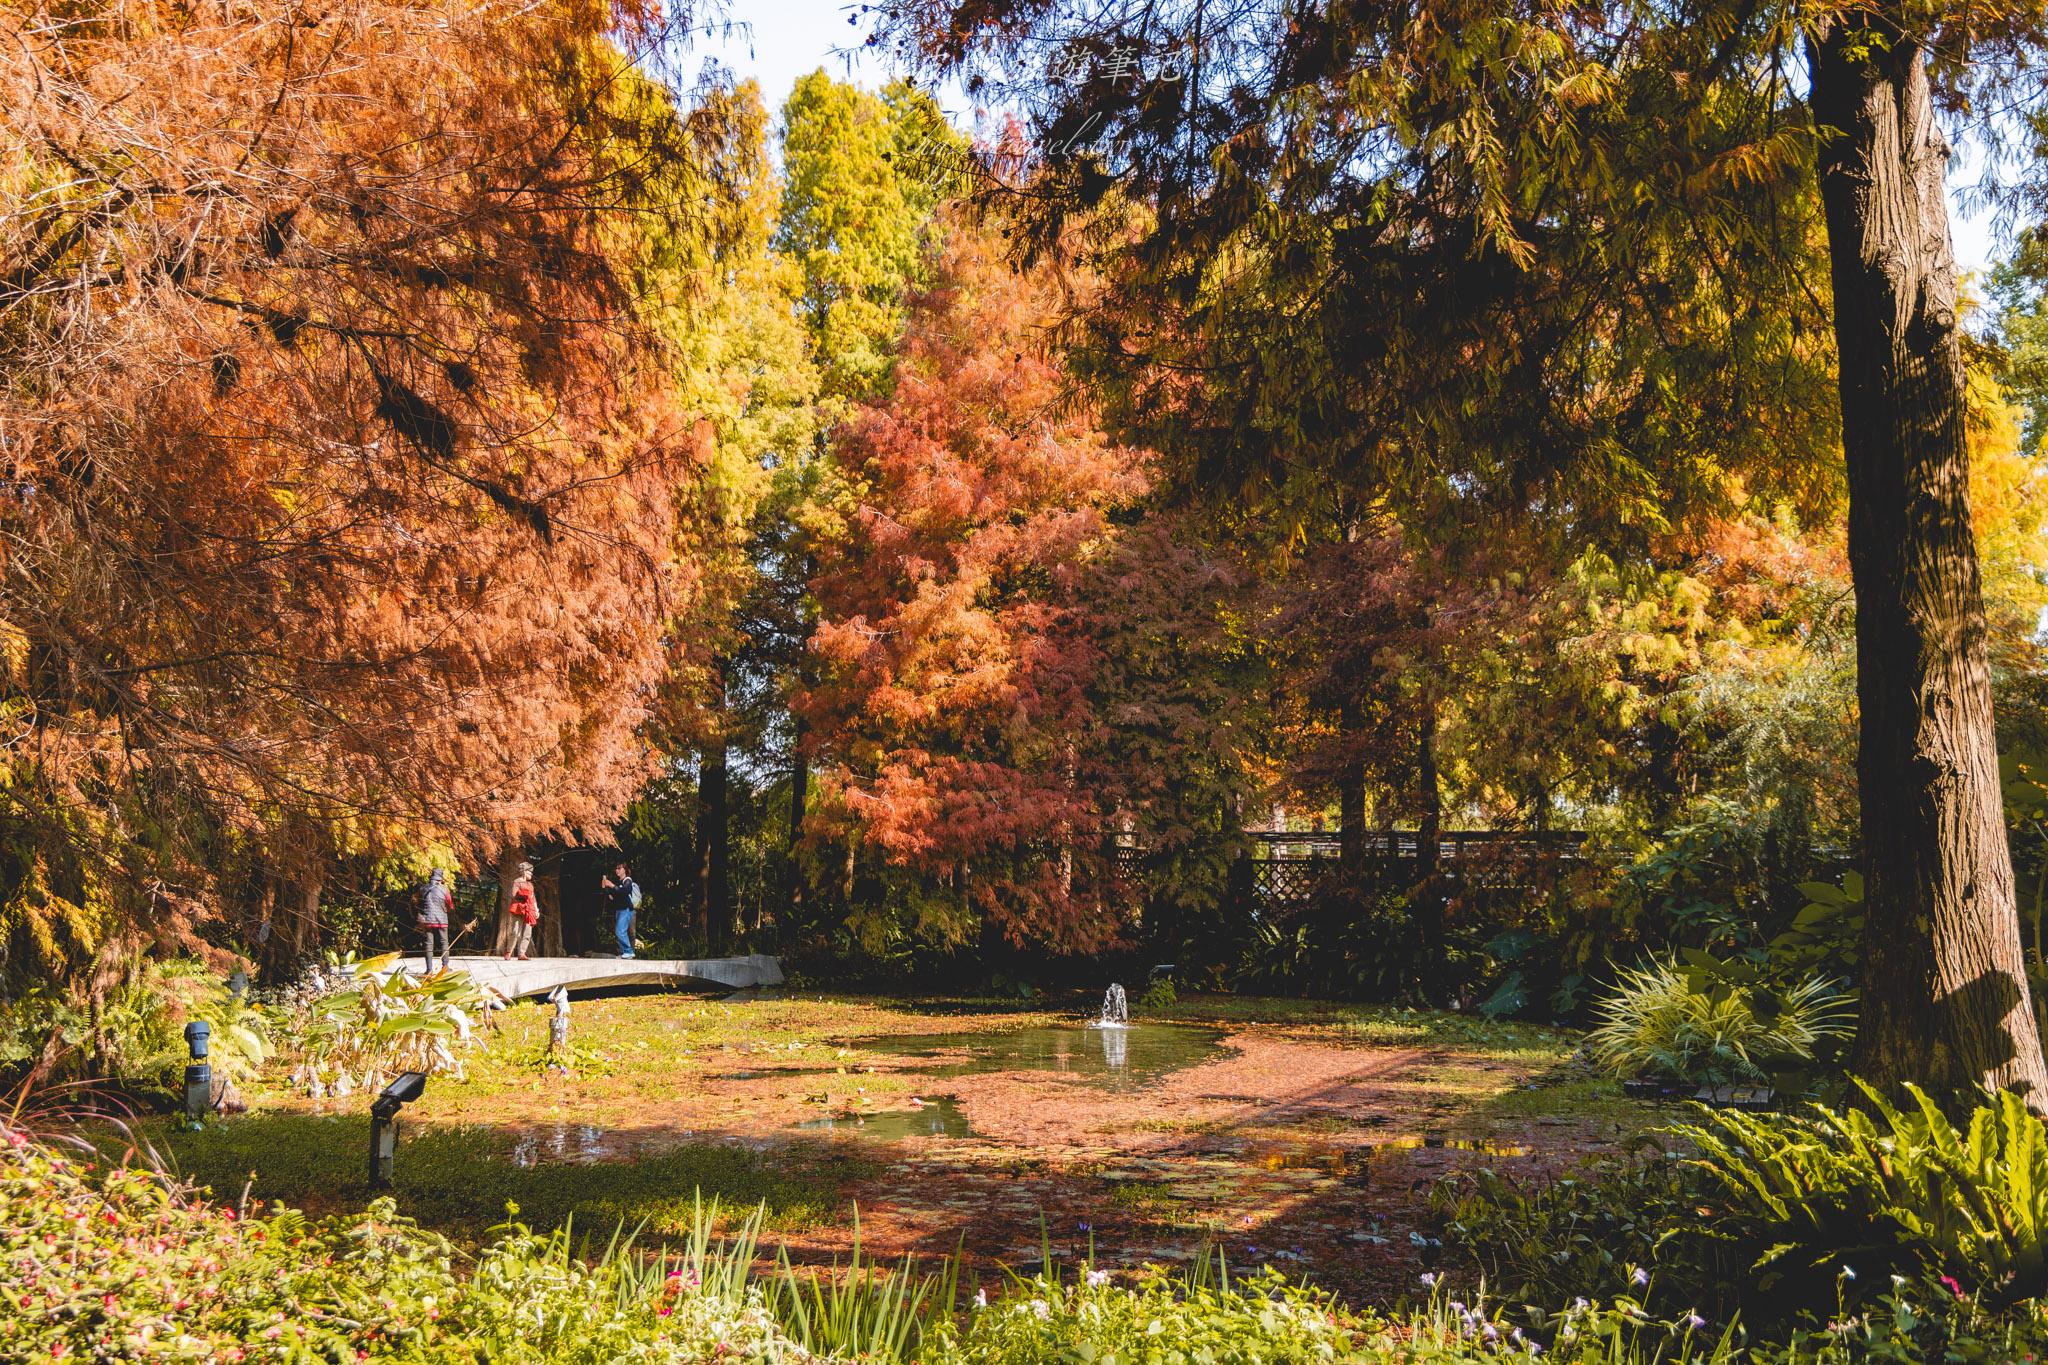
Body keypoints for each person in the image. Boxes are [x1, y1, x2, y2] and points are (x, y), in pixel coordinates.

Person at [600, 862, 639, 959]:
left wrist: (612, 885)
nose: (617, 870)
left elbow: (625, 891)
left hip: (626, 910)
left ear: (625, 870)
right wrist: (606, 887)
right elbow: (613, 895)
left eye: (619, 868)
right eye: (616, 869)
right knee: (620, 932)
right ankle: (624, 953)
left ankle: (628, 951)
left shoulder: (628, 880)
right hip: (619, 910)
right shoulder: (620, 882)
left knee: (620, 931)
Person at [419, 867, 452, 974]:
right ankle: (445, 967)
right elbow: (450, 905)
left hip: (427, 920)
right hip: (441, 920)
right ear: (440, 878)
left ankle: (429, 970)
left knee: (428, 944)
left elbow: (420, 904)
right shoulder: (444, 889)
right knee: (444, 942)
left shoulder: (423, 888)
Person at [504, 861, 539, 961]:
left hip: (529, 910)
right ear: (524, 872)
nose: (531, 874)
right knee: (515, 931)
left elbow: (533, 898)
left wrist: (536, 909)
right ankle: (509, 951)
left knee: (527, 933)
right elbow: (514, 895)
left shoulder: (531, 885)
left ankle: (522, 953)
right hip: (518, 909)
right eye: (529, 872)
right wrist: (523, 896)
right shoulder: (517, 881)